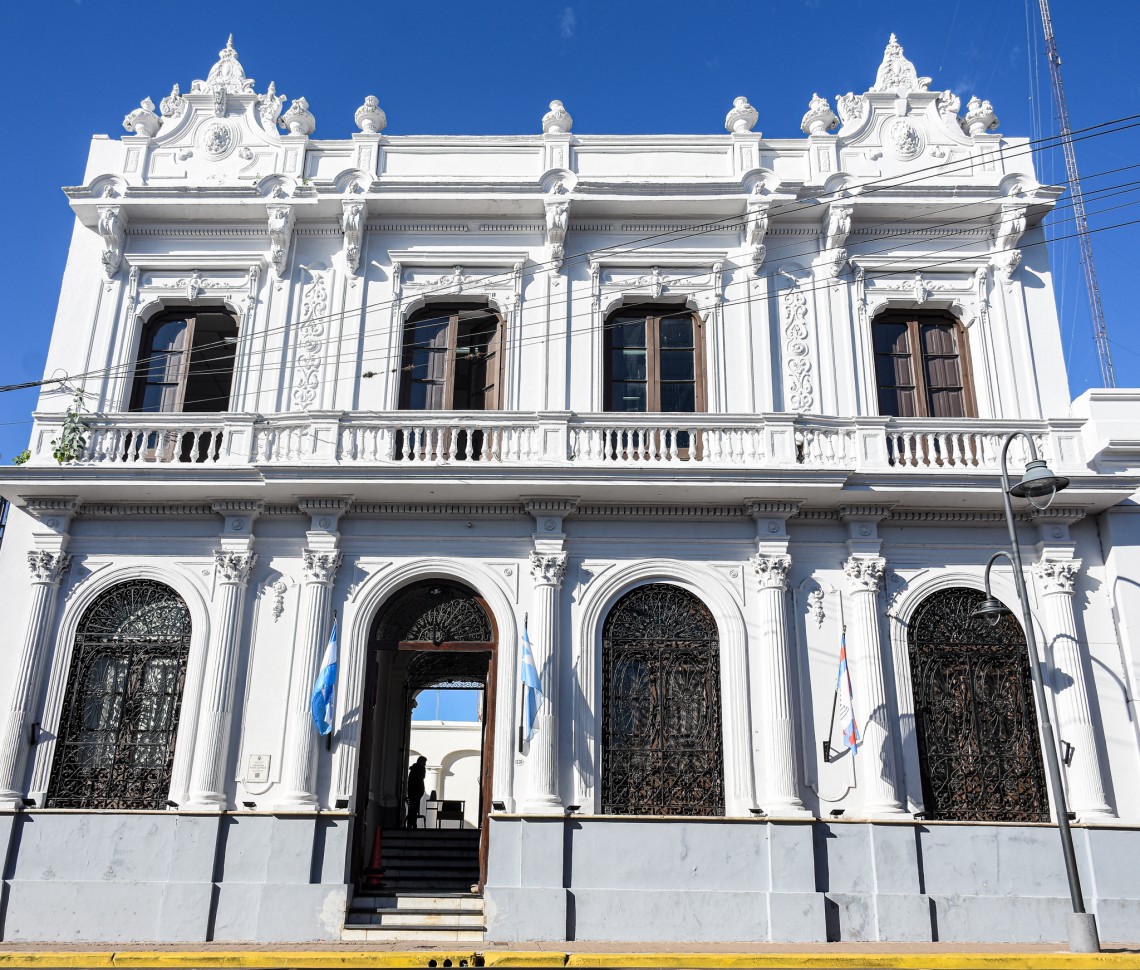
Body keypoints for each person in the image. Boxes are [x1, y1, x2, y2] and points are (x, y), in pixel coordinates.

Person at [406, 756, 427, 829]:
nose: (425, 764)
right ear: (421, 762)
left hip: (413, 792)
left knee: (412, 808)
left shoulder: (414, 769)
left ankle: (411, 824)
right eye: (424, 762)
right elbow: (421, 778)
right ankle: (413, 824)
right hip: (416, 792)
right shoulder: (420, 769)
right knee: (414, 809)